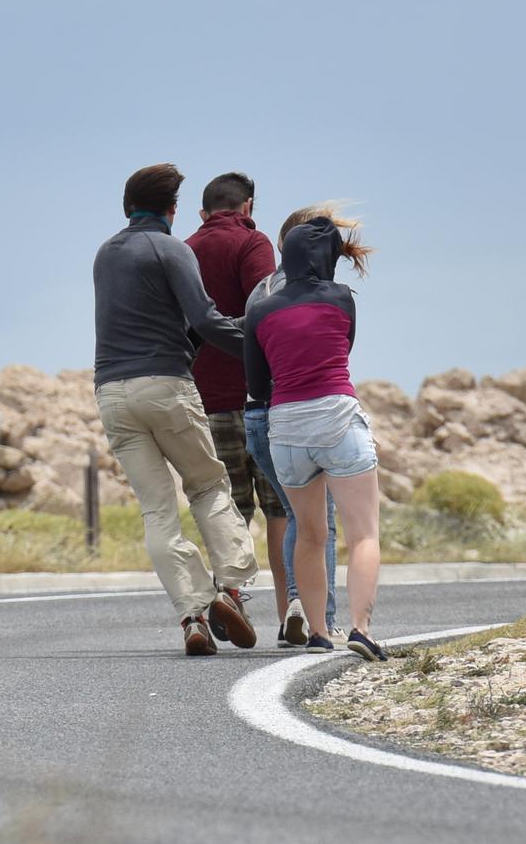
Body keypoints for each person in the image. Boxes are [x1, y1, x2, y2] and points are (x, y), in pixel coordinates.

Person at [93, 163, 260, 655]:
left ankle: (192, 617)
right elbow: (205, 320)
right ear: (172, 210)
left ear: (126, 208)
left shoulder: (105, 254)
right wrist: (258, 340)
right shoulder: (172, 248)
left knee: (157, 511)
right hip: (166, 385)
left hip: (111, 393)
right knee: (209, 485)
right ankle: (229, 589)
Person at [245, 209, 385, 661]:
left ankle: (319, 633)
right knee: (363, 534)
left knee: (308, 534)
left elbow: (256, 384)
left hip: (286, 427)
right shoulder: (342, 298)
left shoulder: (261, 310)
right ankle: (360, 628)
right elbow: (344, 348)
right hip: (338, 418)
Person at [184, 172, 293, 635]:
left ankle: (228, 595)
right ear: (248, 207)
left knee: (226, 506)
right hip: (258, 396)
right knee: (280, 508)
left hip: (204, 398)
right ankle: (294, 609)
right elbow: (263, 308)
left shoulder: (184, 248)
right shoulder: (254, 243)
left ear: (203, 212)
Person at [244, 204, 343, 646]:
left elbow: (254, 375)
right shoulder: (322, 292)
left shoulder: (261, 292)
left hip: (259, 415)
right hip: (303, 412)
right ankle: (322, 615)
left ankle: (293, 613)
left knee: (293, 514)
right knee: (320, 523)